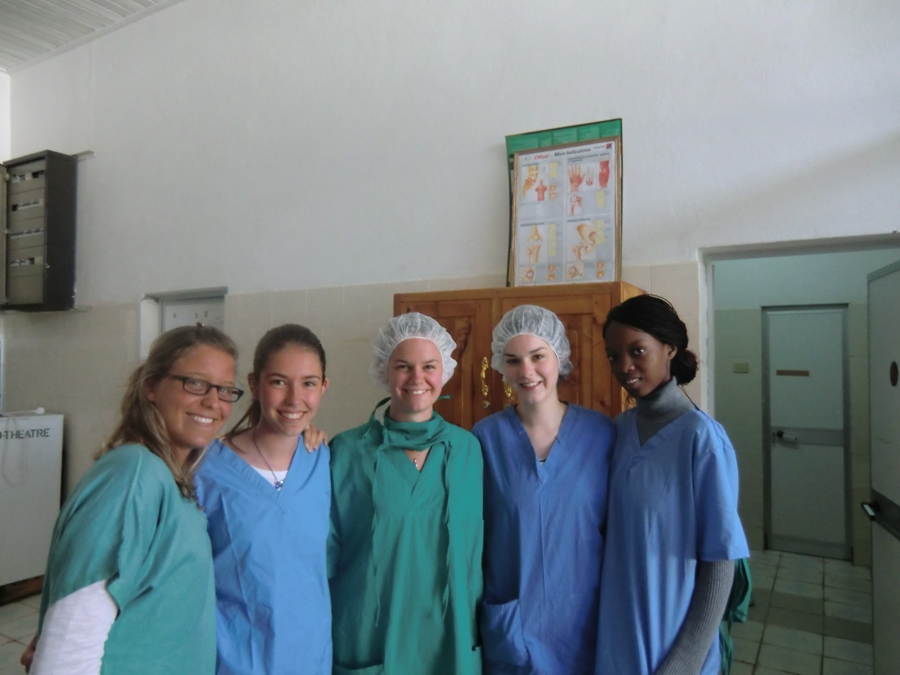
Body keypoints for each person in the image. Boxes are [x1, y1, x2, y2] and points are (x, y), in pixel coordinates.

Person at [22, 325, 242, 675]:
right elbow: (67, 651)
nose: (213, 402)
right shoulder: (134, 475)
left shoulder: (171, 478)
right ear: (151, 387)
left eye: (225, 389)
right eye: (195, 383)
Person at [596, 295, 749, 675]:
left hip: (671, 639)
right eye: (614, 356)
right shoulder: (620, 429)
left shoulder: (701, 438)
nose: (624, 366)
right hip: (617, 633)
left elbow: (721, 561)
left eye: (637, 351)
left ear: (669, 349)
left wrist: (684, 662)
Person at [327, 312, 484, 675]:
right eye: (403, 366)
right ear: (384, 370)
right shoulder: (347, 451)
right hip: (371, 640)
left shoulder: (467, 450)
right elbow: (323, 554)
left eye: (429, 366)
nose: (417, 378)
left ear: (444, 372)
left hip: (451, 641)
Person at [472, 305, 615, 674]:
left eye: (538, 356)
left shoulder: (601, 434)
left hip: (583, 619)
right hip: (514, 622)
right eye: (513, 360)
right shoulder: (485, 438)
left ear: (559, 358)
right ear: (501, 367)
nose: (527, 371)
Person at [194, 324, 331, 675]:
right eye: (279, 382)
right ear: (255, 385)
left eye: (308, 383)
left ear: (323, 387)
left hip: (310, 657)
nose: (294, 399)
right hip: (234, 658)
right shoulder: (206, 469)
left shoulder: (322, 460)